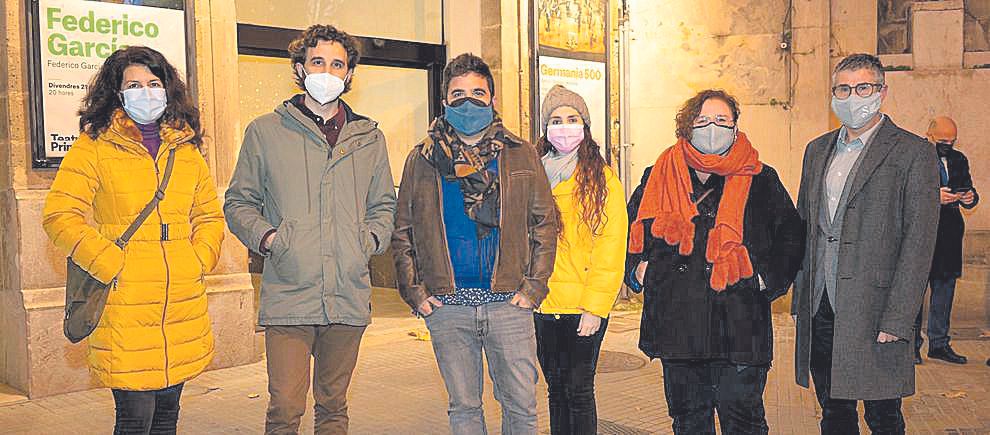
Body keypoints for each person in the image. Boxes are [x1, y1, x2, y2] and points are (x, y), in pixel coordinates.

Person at [42, 46, 224, 434]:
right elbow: (59, 214)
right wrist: (108, 262)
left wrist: (199, 259)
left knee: (166, 416)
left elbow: (208, 213)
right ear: (117, 93)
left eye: (153, 83)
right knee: (134, 417)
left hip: (180, 302)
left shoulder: (185, 148)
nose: (146, 92)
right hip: (125, 301)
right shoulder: (95, 146)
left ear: (167, 88)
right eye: (134, 85)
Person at [224, 25, 396, 434]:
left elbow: (383, 205)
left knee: (334, 407)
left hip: (347, 293)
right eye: (317, 61)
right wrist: (270, 239)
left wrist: (367, 240)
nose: (328, 71)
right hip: (289, 293)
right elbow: (239, 203)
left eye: (338, 64)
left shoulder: (369, 138)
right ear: (299, 68)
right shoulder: (265, 132)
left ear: (349, 74)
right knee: (284, 407)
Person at [391, 53, 558, 435]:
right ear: (445, 102)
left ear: (493, 100)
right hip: (448, 307)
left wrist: (533, 289)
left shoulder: (521, 153)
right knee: (464, 408)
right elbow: (403, 232)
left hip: (509, 304)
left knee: (521, 408)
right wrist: (416, 295)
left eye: (478, 93)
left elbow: (544, 225)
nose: (469, 103)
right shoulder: (422, 159)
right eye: (459, 94)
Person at [624, 89, 805, 435]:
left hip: (739, 323)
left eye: (722, 120)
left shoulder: (761, 178)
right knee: (689, 421)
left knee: (744, 421)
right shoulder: (657, 174)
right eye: (702, 120)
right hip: (678, 323)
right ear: (687, 126)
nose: (712, 128)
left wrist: (765, 280)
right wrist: (637, 269)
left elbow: (791, 236)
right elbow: (632, 228)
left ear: (736, 127)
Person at [792, 53, 940, 435]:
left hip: (877, 311)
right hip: (822, 305)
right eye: (843, 88)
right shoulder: (817, 150)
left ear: (882, 92)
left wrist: (899, 317)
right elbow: (806, 227)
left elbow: (919, 243)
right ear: (833, 93)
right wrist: (801, 299)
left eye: (863, 88)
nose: (852, 96)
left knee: (883, 416)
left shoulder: (913, 152)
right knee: (834, 413)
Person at [534, 85, 627, 434]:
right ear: (545, 128)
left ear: (585, 126)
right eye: (556, 120)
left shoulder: (603, 180)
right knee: (555, 390)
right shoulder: (533, 175)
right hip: (543, 304)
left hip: (583, 307)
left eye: (572, 119)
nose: (564, 126)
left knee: (579, 390)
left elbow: (611, 245)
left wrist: (595, 306)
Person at [914, 116, 978, 365]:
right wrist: (934, 197)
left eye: (952, 141)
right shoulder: (916, 156)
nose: (948, 145)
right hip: (922, 235)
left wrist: (970, 197)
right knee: (915, 293)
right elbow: (907, 192)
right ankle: (911, 347)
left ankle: (939, 344)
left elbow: (968, 188)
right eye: (943, 140)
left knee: (944, 291)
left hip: (949, 236)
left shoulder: (959, 159)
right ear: (929, 135)